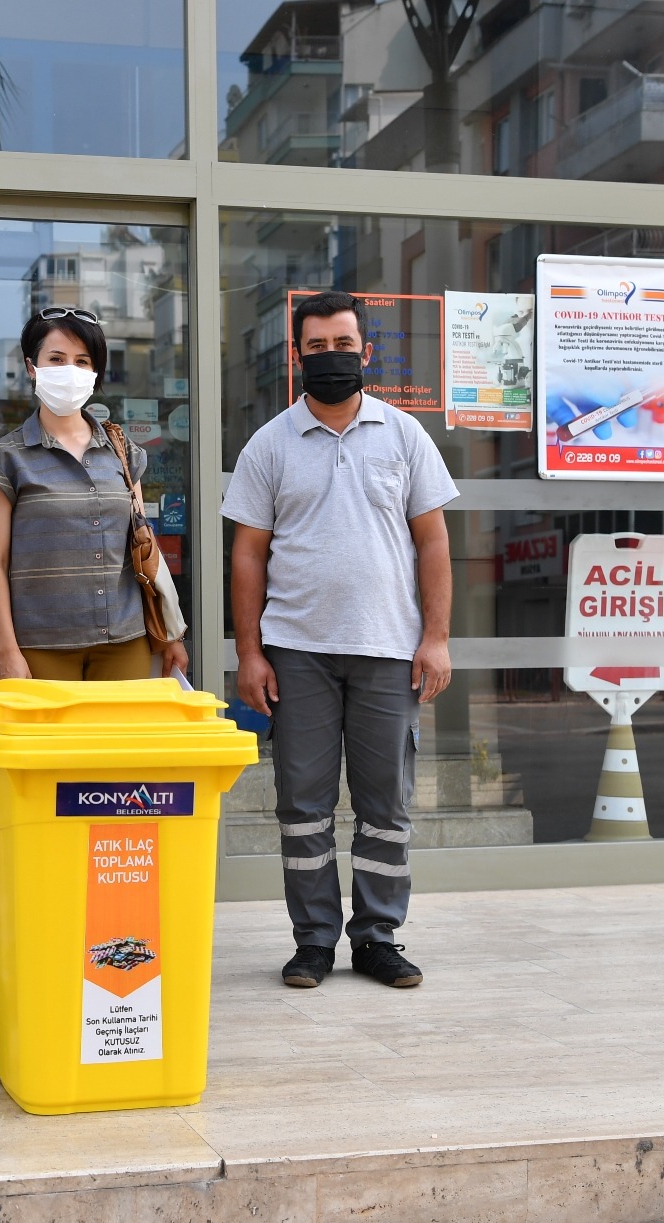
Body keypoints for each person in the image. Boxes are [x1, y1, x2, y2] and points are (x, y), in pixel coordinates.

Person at [221, 289, 456, 991]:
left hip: (388, 647)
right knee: (302, 804)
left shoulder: (405, 435)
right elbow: (247, 556)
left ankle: (378, 936)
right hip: (298, 653)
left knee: (385, 805)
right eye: (316, 348)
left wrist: (436, 637)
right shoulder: (269, 443)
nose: (331, 358)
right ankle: (313, 940)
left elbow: (433, 541)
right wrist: (249, 651)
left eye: (342, 345)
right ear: (296, 357)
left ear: (367, 352)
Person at [0, 308, 189, 682]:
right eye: (56, 359)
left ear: (94, 373)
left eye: (82, 361)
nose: (69, 370)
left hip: (126, 640)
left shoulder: (123, 452)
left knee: (119, 743)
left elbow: (142, 542)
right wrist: (7, 650)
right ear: (31, 367)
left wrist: (169, 633)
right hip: (42, 646)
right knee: (51, 743)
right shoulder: (4, 460)